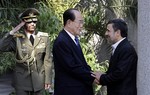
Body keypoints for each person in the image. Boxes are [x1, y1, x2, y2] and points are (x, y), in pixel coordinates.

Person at [0, 8, 53, 95]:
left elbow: (48, 60)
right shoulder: (17, 39)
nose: (32, 24)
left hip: (39, 81)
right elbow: (2, 47)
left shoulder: (44, 38)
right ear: (23, 23)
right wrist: (12, 32)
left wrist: (48, 79)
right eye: (29, 22)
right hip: (21, 82)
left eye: (34, 21)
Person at [52, 8, 95, 95]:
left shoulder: (73, 39)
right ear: (69, 22)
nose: (81, 25)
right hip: (70, 90)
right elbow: (72, 67)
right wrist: (94, 77)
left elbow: (81, 64)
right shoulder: (62, 42)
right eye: (79, 22)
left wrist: (93, 73)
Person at [92, 19, 138, 95]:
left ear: (117, 33)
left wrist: (102, 78)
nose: (106, 33)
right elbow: (114, 72)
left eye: (108, 31)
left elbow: (119, 74)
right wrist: (102, 77)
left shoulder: (127, 49)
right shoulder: (120, 47)